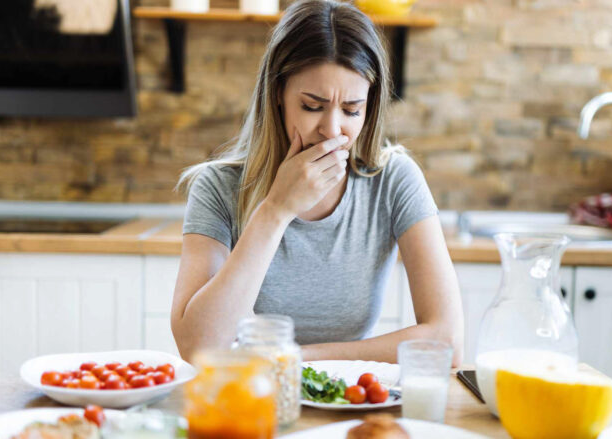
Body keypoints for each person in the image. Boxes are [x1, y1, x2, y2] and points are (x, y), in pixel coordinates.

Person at [171, 0, 464, 366]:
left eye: (352, 110)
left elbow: (448, 340)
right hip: (249, 401)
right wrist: (276, 209)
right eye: (313, 106)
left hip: (350, 400)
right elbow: (198, 347)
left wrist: (294, 359)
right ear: (278, 94)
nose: (332, 129)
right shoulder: (217, 187)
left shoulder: (394, 181)